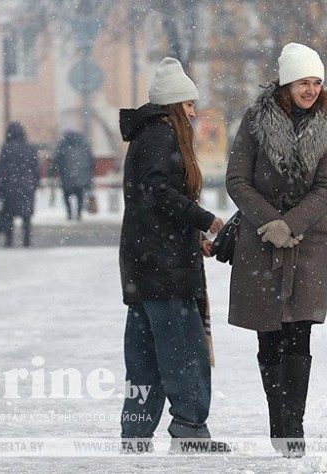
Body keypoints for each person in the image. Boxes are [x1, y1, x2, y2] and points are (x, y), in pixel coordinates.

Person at [225, 42, 327, 457]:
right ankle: (279, 420)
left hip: (309, 244)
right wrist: (269, 222)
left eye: (316, 81)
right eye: (303, 82)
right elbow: (237, 180)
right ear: (286, 83)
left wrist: (290, 224)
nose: (311, 89)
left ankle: (294, 426)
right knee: (270, 337)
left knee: (300, 335)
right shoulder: (255, 121)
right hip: (261, 244)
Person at [117, 57, 227, 454]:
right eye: (189, 105)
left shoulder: (144, 136)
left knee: (144, 357)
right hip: (165, 267)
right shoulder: (162, 136)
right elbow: (161, 194)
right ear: (175, 107)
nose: (194, 113)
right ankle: (190, 427)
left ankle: (135, 434)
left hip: (144, 263)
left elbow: (152, 200)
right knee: (184, 351)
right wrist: (205, 220)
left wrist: (189, 232)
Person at [0, 122, 40, 247]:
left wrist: (0, 186)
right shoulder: (30, 149)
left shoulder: (6, 149)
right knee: (26, 216)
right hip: (26, 186)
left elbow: (1, 169)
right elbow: (35, 169)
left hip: (10, 187)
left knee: (9, 215)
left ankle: (8, 240)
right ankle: (26, 240)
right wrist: (34, 183)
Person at [52, 130, 95, 221]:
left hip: (67, 178)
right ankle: (79, 214)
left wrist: (57, 171)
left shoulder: (63, 146)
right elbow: (91, 162)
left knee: (67, 196)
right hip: (81, 178)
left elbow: (58, 162)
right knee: (80, 196)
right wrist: (89, 175)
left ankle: (69, 213)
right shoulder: (84, 146)